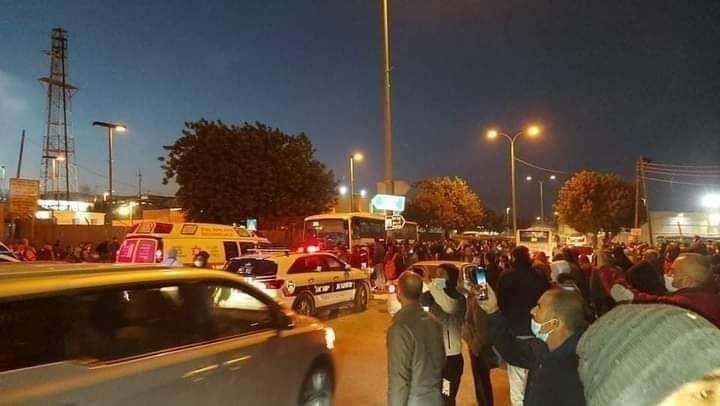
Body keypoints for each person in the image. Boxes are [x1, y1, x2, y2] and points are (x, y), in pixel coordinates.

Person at [480, 285, 587, 406]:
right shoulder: (541, 348)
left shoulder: (576, 369)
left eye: (539, 307)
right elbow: (510, 349)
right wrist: (492, 311)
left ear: (554, 323)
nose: (532, 311)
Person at [601, 253, 720, 327]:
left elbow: (625, 296)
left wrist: (604, 269)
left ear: (688, 280)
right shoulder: (714, 300)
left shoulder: (679, 304)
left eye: (673, 272)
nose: (667, 275)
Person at [497, 246, 550, 406]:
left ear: (513, 258)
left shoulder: (507, 276)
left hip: (516, 332)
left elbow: (501, 304)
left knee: (518, 381)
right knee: (536, 380)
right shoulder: (538, 276)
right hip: (538, 331)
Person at [387, 271, 445, 406]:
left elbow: (399, 381)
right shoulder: (435, 322)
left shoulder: (400, 329)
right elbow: (442, 361)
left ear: (399, 293)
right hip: (435, 399)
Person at [420, 264, 466, 406]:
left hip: (450, 359)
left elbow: (449, 307)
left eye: (442, 274)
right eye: (437, 274)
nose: (438, 277)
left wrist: (431, 284)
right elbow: (422, 300)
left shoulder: (458, 297)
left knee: (446, 396)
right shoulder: (434, 294)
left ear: (451, 277)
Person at [461, 266, 497, 406]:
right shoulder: (480, 293)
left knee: (481, 380)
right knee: (482, 379)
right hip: (477, 342)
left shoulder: (480, 298)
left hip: (479, 345)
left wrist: (475, 348)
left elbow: (482, 327)